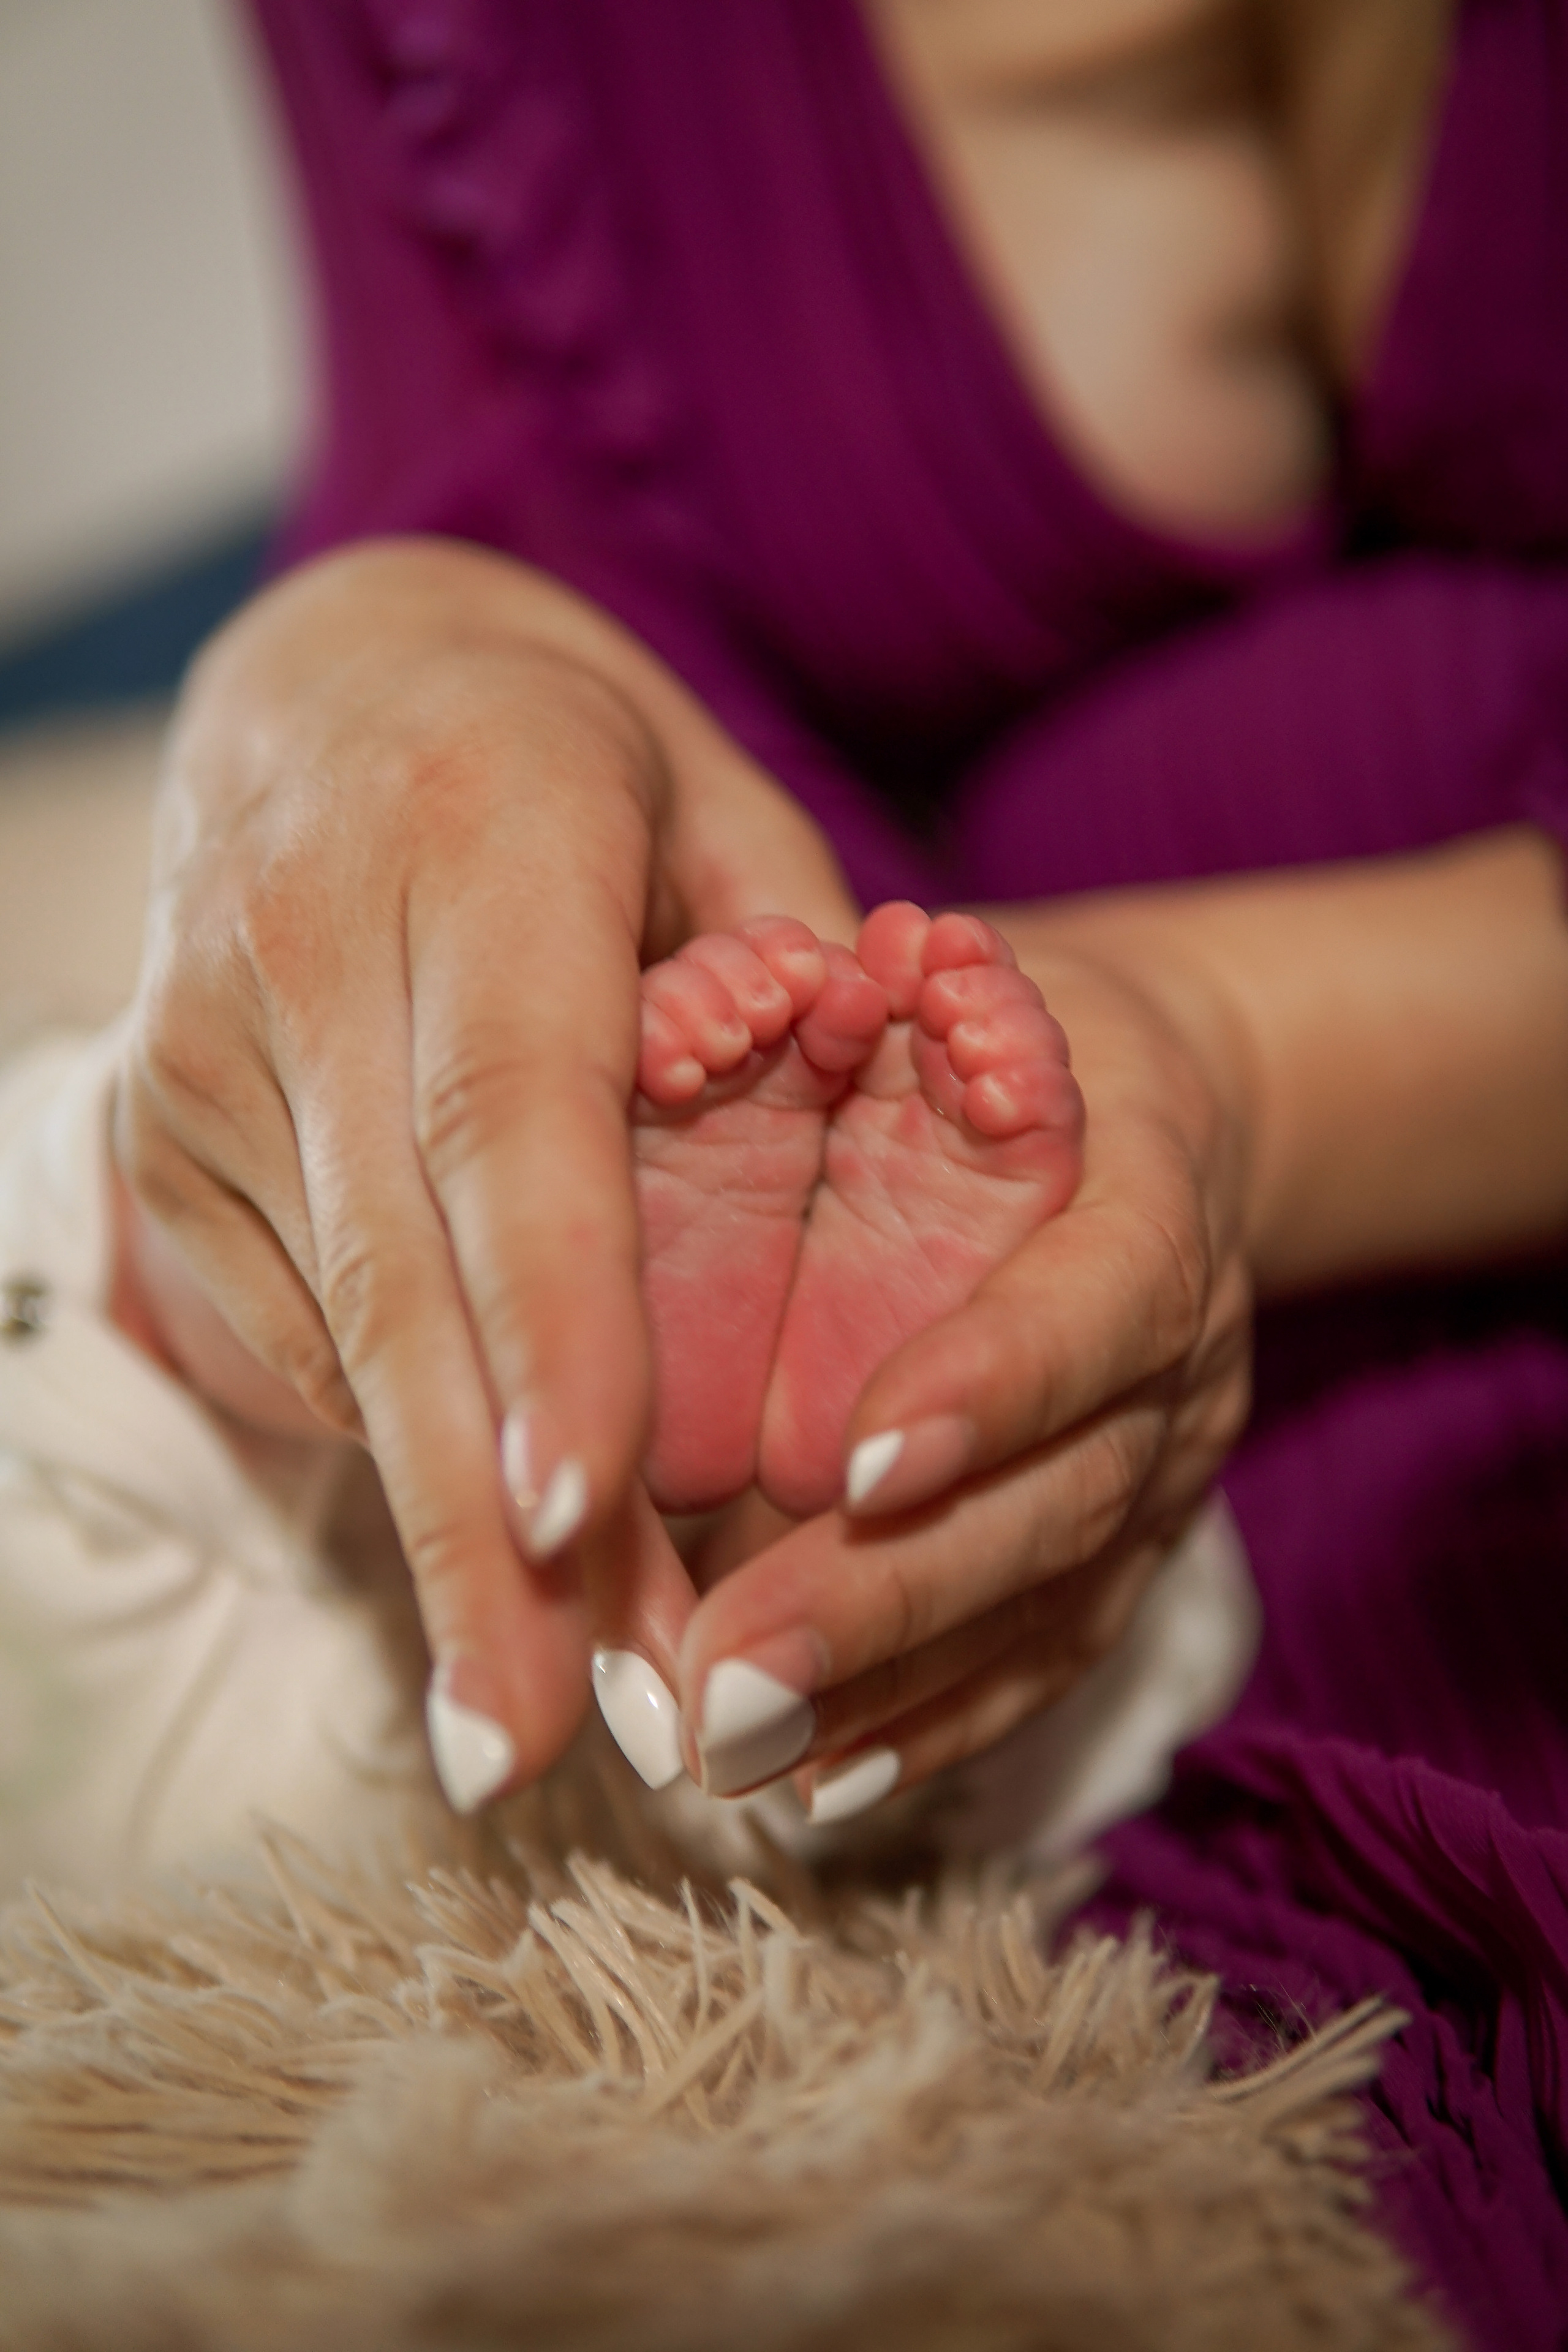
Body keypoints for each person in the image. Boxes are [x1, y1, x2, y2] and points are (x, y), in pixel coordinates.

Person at [4, 1, 1568, 2331]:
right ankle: (222, 1305)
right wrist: (371, 673)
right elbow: (477, 526)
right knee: (308, 1528)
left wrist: (1231, 1061)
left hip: (1310, 1330)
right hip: (944, 1106)